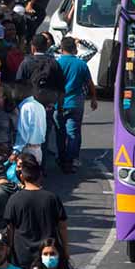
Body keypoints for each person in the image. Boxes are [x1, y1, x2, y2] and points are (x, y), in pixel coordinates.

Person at [4, 154, 68, 269]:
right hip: (48, 254)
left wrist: (9, 249)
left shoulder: (14, 199)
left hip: (22, 256)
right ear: (40, 175)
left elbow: (10, 229)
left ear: (22, 177)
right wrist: (65, 250)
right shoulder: (52, 198)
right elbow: (62, 227)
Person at [54, 37, 98, 174]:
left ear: (61, 49)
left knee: (60, 133)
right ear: (75, 49)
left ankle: (62, 158)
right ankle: (70, 160)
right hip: (76, 103)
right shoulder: (81, 64)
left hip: (58, 103)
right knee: (73, 133)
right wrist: (94, 98)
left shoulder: (56, 62)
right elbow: (90, 83)